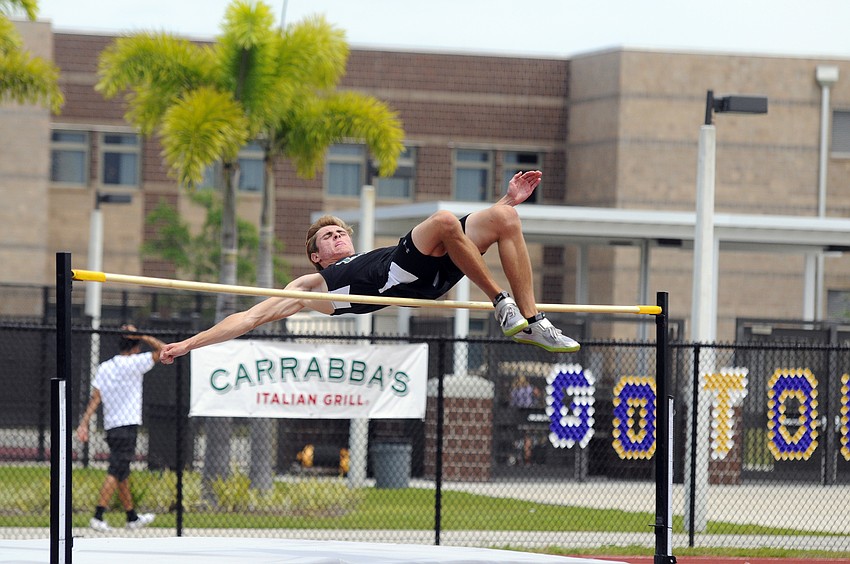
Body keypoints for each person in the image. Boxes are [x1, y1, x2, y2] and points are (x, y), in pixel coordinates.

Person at [160, 170, 579, 365]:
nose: (338, 236)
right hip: (406, 274)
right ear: (316, 256)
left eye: (341, 232)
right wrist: (187, 345)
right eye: (328, 237)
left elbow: (464, 238)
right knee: (445, 220)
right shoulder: (311, 283)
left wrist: (504, 201)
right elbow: (249, 317)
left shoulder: (364, 254)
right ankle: (501, 302)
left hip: (435, 266)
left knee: (506, 218)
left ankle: (534, 321)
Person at [76, 324, 164, 532]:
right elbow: (165, 350)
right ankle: (98, 515)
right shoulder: (136, 362)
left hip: (111, 426)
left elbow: (95, 398)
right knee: (116, 470)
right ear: (135, 346)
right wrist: (142, 334)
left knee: (122, 472)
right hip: (127, 425)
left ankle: (131, 517)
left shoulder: (106, 366)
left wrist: (84, 423)